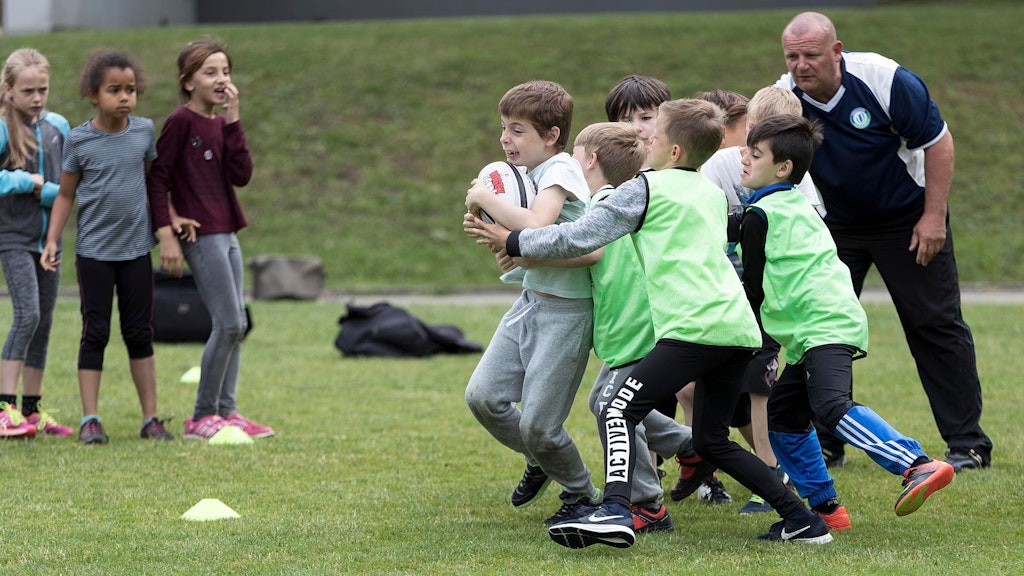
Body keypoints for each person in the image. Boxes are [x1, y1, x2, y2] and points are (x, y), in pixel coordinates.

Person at [468, 98, 832, 548]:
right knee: (712, 441)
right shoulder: (711, 191)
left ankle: (616, 509)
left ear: (673, 151)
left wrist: (513, 240)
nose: (646, 141)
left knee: (616, 408)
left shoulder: (645, 188)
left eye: (654, 135)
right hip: (737, 328)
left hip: (694, 328)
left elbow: (579, 237)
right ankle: (802, 520)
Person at [776, 12, 992, 472]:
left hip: (907, 220)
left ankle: (967, 444)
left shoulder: (885, 80)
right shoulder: (784, 99)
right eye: (792, 56)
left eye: (811, 55)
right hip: (833, 228)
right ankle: (826, 442)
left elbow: (938, 143)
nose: (800, 65)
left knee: (935, 325)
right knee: (820, 331)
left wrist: (933, 217)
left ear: (837, 51)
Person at [736, 114, 954, 530]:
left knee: (832, 407)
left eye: (755, 154)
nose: (743, 159)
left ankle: (916, 464)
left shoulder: (761, 215)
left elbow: (753, 285)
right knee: (783, 416)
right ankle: (825, 509)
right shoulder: (792, 205)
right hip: (819, 327)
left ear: (783, 168)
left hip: (823, 325)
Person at [463, 80, 601, 526]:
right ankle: (541, 460)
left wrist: (485, 199)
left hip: (567, 313)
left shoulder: (561, 169)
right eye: (504, 127)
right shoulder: (526, 174)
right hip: (530, 302)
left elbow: (538, 227)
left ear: (552, 135)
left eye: (517, 130)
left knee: (540, 426)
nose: (506, 138)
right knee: (483, 397)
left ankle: (582, 494)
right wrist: (498, 241)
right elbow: (524, 247)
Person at [39, 49, 173, 444]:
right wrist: (52, 239)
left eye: (130, 89)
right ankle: (90, 420)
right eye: (114, 90)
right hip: (94, 254)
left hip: (136, 252)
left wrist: (170, 221)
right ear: (93, 94)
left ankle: (151, 419)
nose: (125, 96)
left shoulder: (144, 132)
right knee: (95, 332)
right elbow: (66, 195)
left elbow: (154, 183)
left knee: (139, 332)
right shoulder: (79, 140)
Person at [147, 39, 273, 441]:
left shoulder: (220, 125)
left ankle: (228, 412)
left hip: (227, 231)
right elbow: (157, 179)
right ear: (188, 82)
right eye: (210, 72)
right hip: (200, 236)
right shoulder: (180, 122)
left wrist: (234, 120)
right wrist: (167, 231)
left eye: (225, 71)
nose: (221, 80)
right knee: (230, 322)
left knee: (236, 324)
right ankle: (201, 416)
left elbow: (242, 175)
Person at [0, 48, 72, 438]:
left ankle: (31, 411)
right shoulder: (2, 128)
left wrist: (45, 192)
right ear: (8, 89)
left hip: (51, 240)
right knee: (27, 316)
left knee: (42, 323)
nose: (37, 98)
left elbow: (70, 187)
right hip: (13, 237)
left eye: (43, 89)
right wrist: (24, 181)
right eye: (28, 91)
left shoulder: (58, 126)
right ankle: (4, 408)